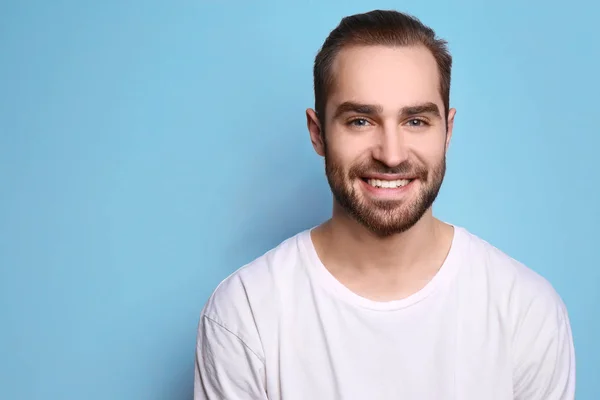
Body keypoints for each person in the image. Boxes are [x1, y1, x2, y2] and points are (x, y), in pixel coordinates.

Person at [193, 9, 576, 400]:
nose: (391, 156)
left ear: (448, 131)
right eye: (360, 121)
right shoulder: (245, 314)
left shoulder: (526, 312)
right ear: (318, 133)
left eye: (416, 121)